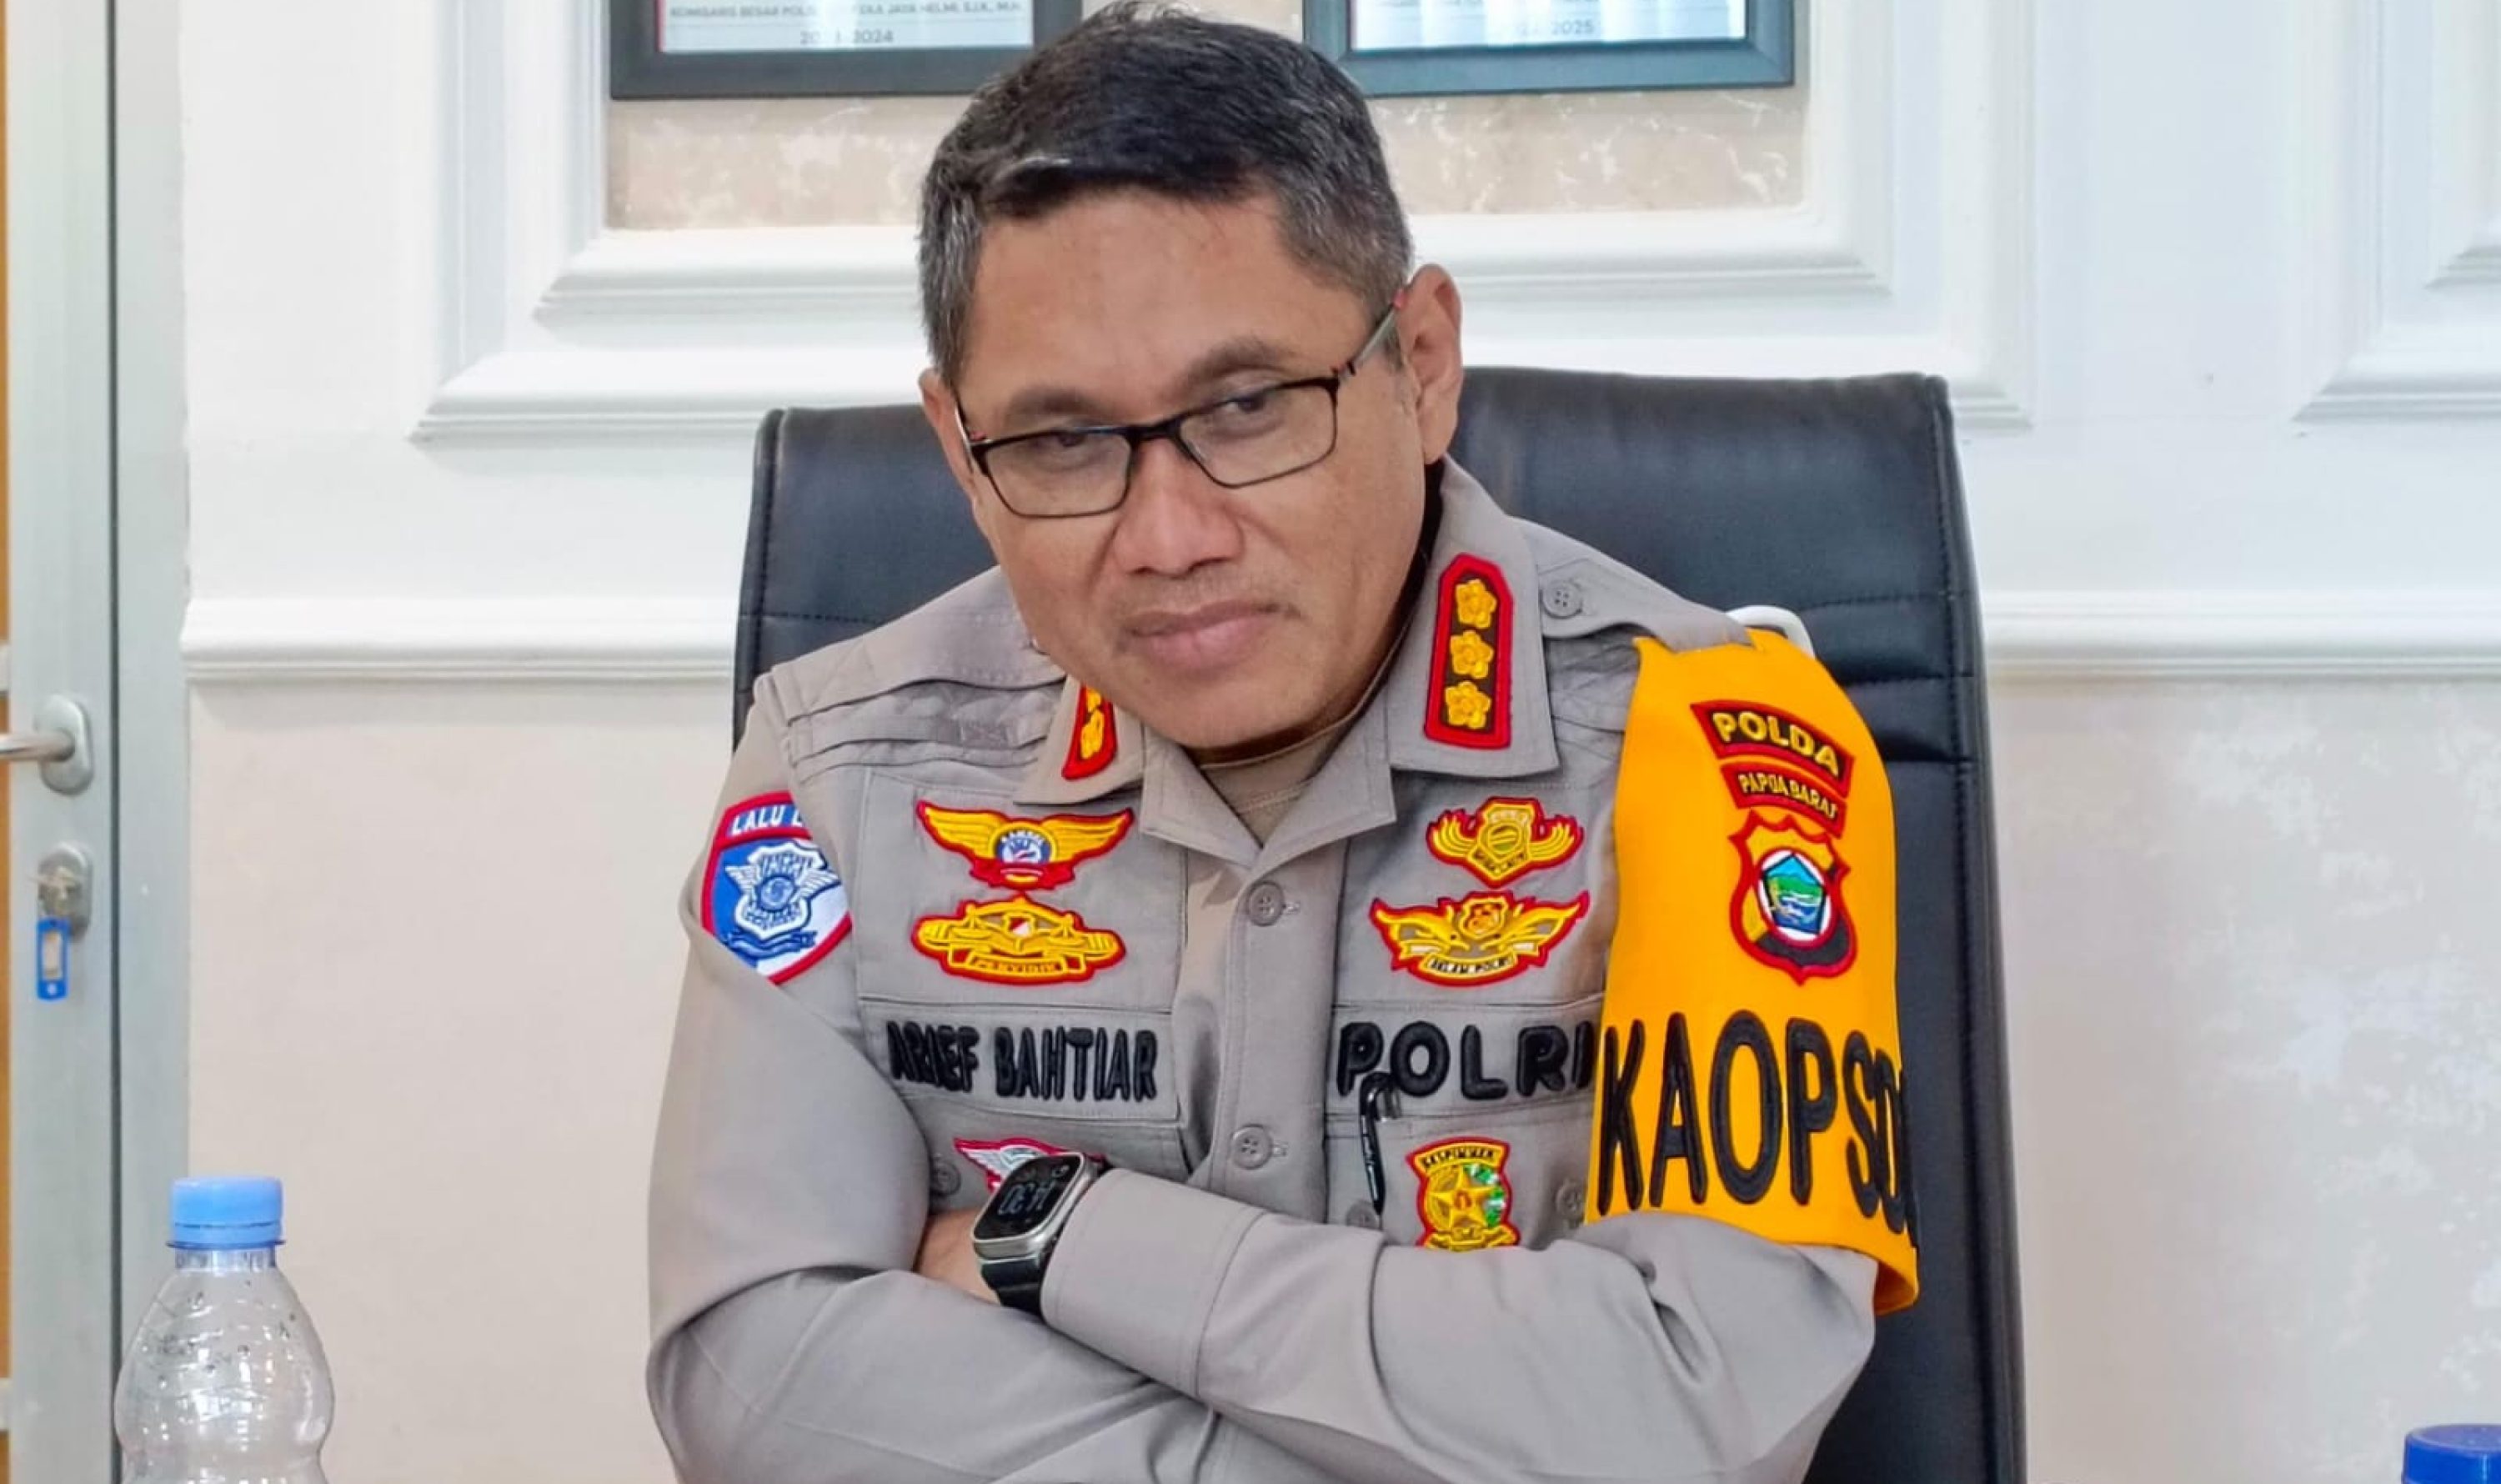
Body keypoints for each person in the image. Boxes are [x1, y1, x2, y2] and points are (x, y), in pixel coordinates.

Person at [646, 7, 1920, 1481]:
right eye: (1061, 442)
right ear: (961, 450)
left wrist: (1061, 1232)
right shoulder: (833, 765)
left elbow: (1704, 1418)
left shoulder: (1726, 744)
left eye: (1249, 409)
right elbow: (759, 1387)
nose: (1168, 537)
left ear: (1422, 364)